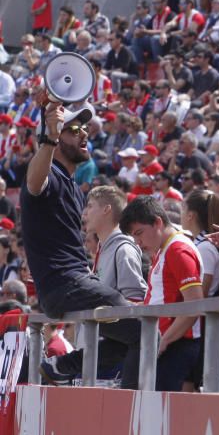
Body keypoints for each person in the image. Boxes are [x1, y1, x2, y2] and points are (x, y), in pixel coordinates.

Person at [24, 103, 141, 389]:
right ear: (55, 138)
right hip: (65, 284)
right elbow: (34, 183)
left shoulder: (73, 185)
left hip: (74, 282)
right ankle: (134, 409)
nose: (84, 134)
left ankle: (61, 366)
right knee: (145, 332)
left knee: (134, 336)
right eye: (74, 130)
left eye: (85, 128)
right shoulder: (47, 172)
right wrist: (49, 137)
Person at [120, 196, 205, 392]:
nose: (138, 243)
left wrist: (164, 341)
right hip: (166, 343)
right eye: (134, 237)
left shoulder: (178, 249)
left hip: (176, 346)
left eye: (139, 233)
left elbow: (195, 304)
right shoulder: (164, 249)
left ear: (158, 222)